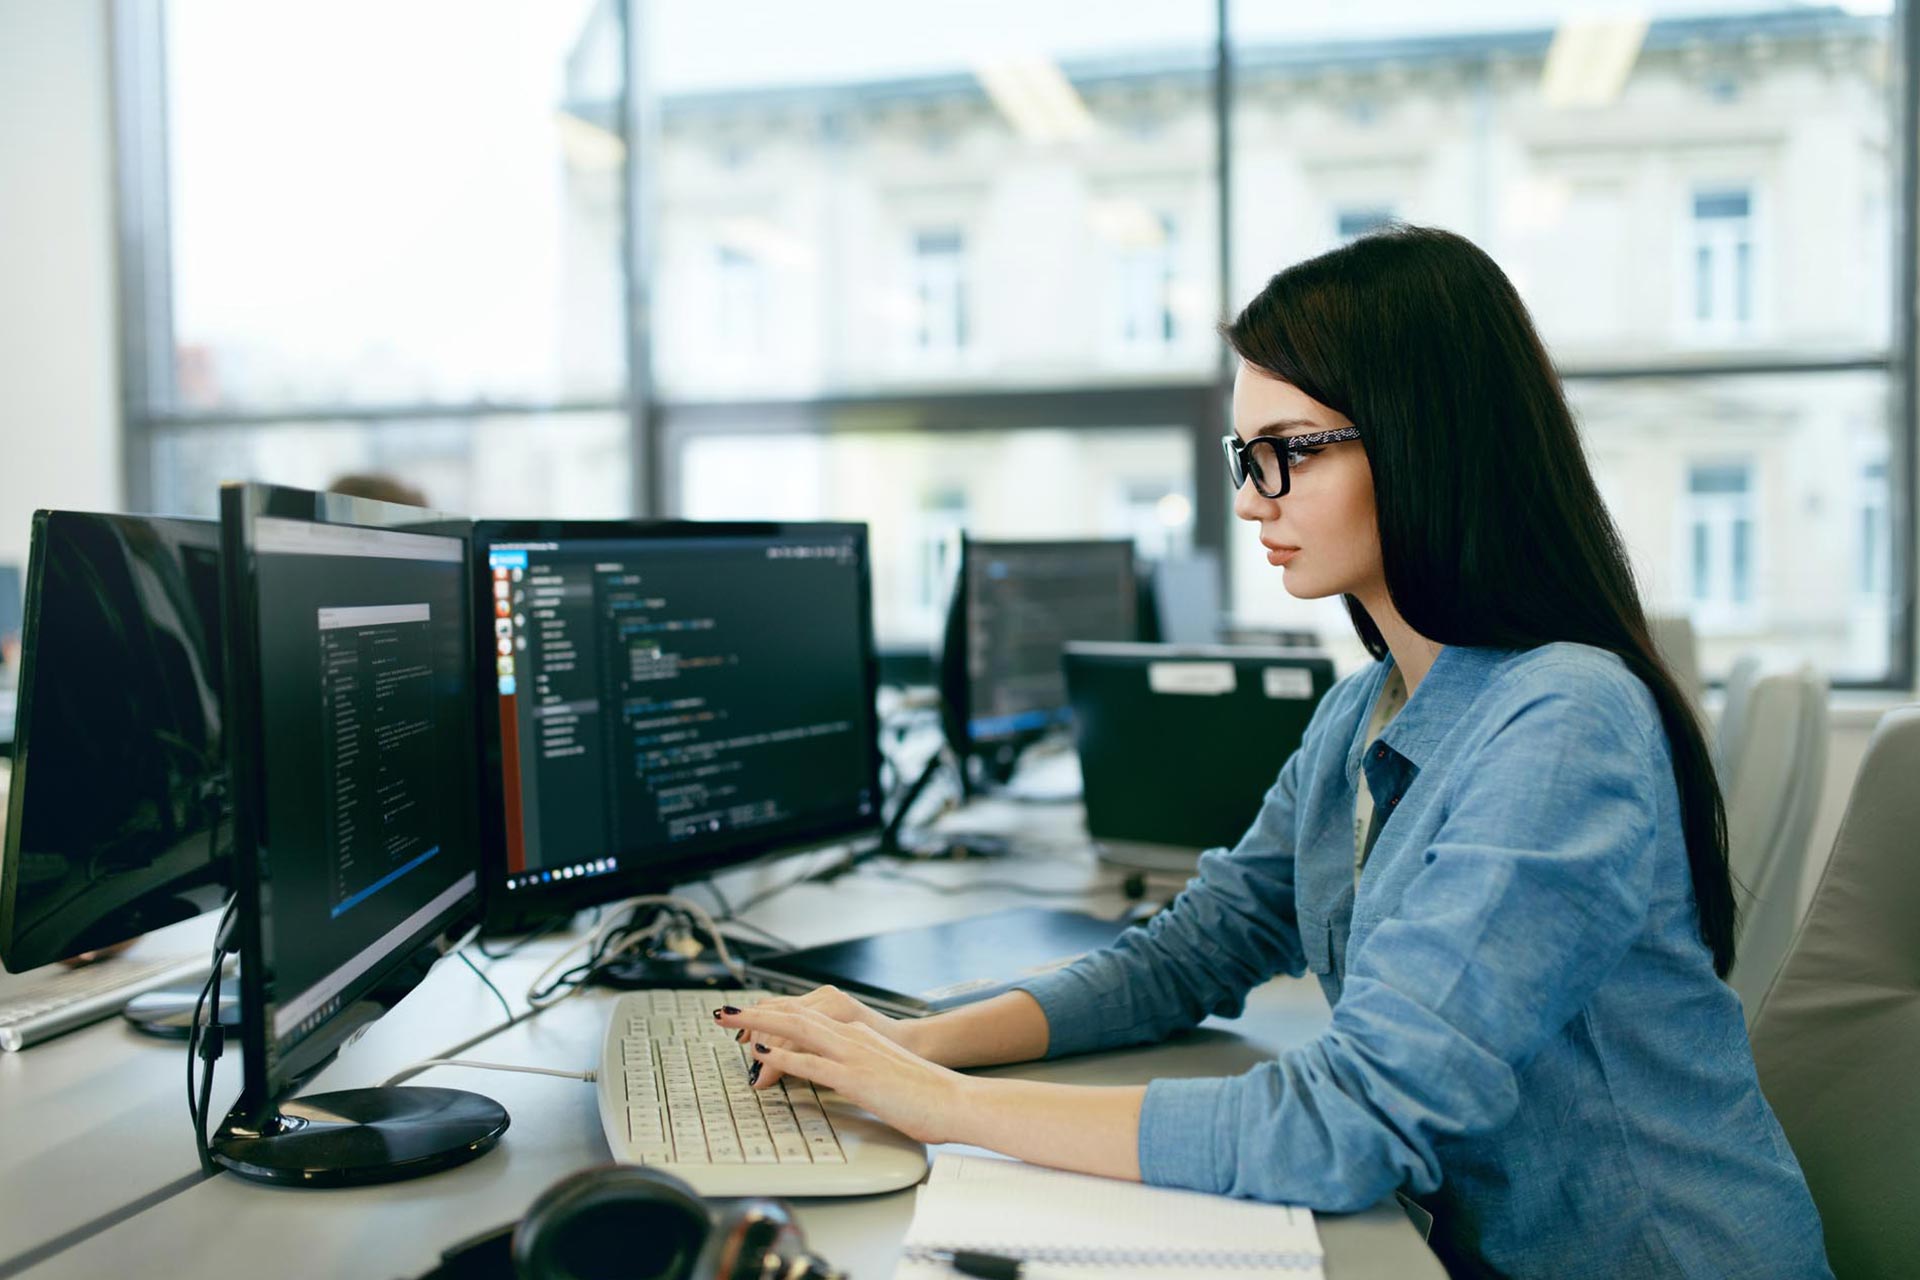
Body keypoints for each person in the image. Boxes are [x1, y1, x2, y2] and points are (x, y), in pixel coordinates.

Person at [717, 226, 1832, 1278]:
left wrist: (932, 1103)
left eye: (1287, 452)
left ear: (1423, 441)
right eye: (1245, 456)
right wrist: (918, 1036)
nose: (1254, 499)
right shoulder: (1368, 708)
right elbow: (1189, 954)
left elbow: (1350, 1118)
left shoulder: (1564, 722)